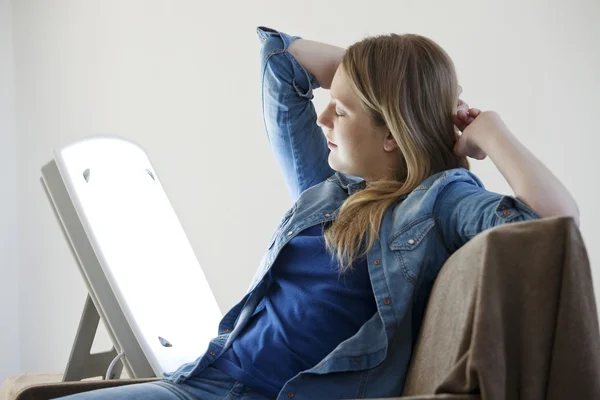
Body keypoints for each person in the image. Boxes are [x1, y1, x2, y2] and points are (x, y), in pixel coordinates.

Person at [55, 26, 579, 400]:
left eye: (344, 109)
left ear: (393, 135)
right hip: (204, 381)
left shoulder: (441, 200)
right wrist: (375, 73)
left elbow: (553, 225)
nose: (324, 113)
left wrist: (490, 130)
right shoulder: (328, 187)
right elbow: (280, 58)